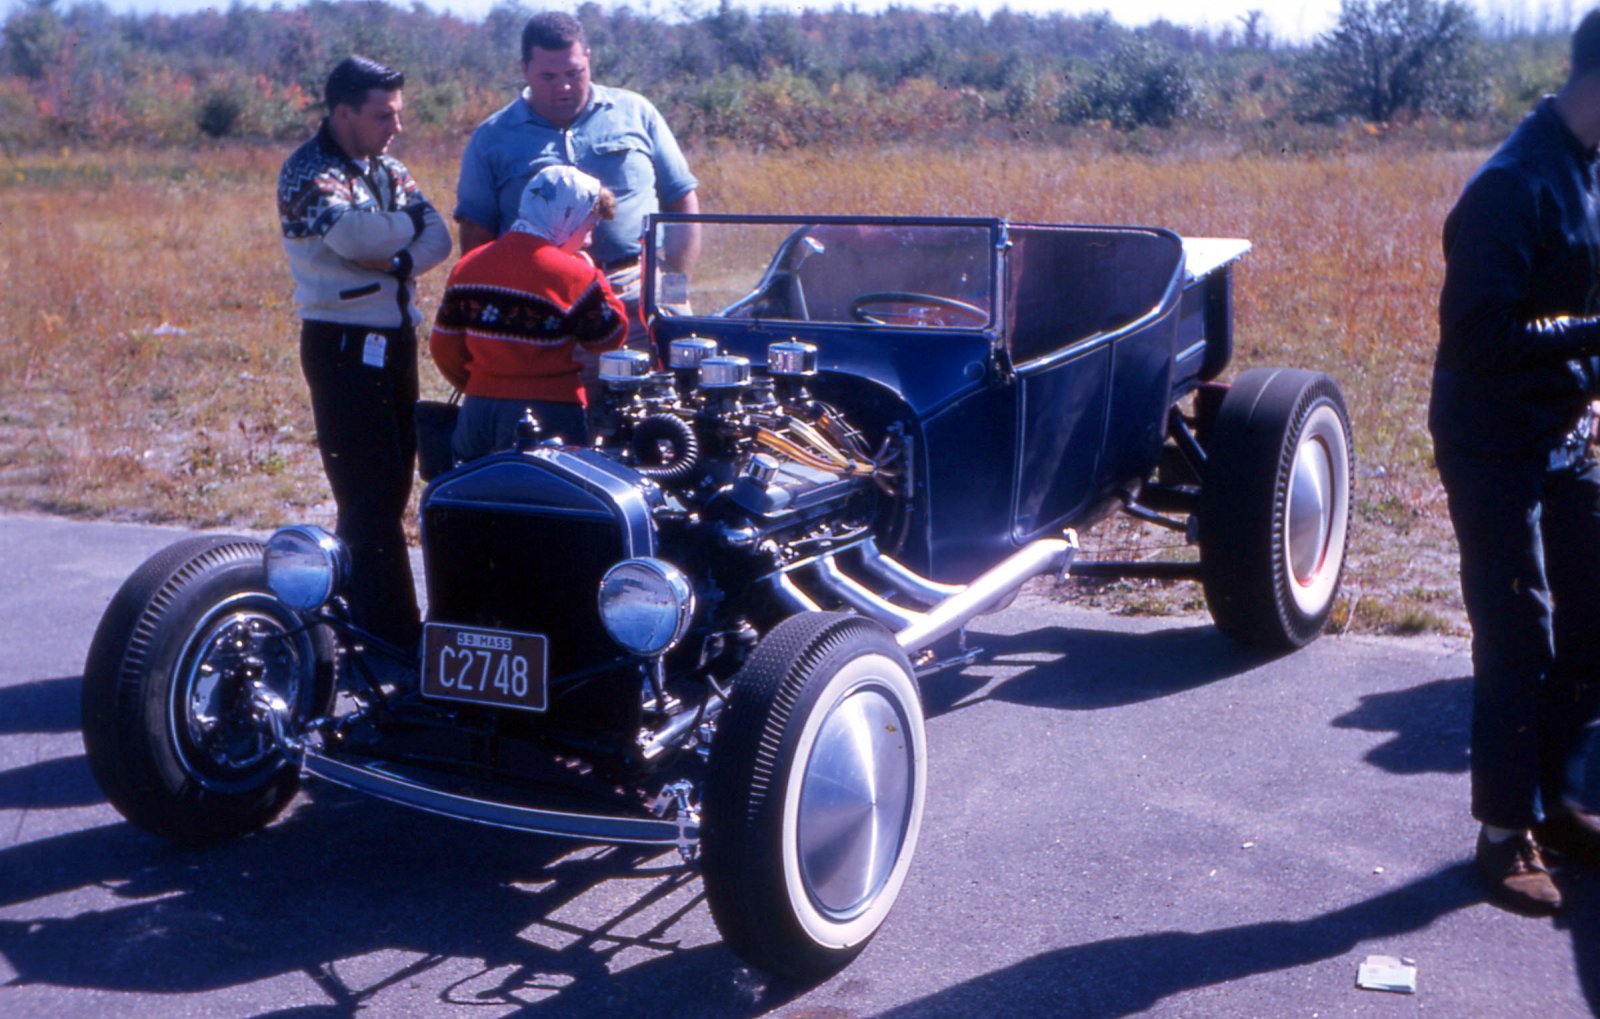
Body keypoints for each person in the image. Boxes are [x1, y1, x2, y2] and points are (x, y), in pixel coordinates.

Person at [1431, 9, 1600, 916]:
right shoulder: (1512, 182)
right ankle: (1504, 832)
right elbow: (1480, 335)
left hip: (1560, 429)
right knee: (1519, 630)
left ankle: (1560, 801)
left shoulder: (1585, 168)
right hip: (1491, 436)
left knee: (1591, 613)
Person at [277, 54, 451, 650]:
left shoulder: (388, 168)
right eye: (383, 115)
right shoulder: (309, 171)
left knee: (395, 485)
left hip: (394, 340)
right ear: (343, 111)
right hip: (342, 345)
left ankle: (364, 618)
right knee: (368, 492)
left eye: (398, 114)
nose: (395, 127)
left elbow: (440, 236)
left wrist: (393, 253)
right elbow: (352, 237)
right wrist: (401, 231)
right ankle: (389, 632)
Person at [453, 11, 699, 349]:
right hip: (542, 300)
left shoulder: (636, 112)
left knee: (665, 395)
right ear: (523, 69)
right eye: (549, 76)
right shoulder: (492, 137)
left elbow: (681, 199)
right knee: (560, 400)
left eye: (574, 72)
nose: (564, 86)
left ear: (589, 59)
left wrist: (672, 284)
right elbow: (476, 231)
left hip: (636, 291)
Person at [429, 166, 627, 461]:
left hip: (478, 413)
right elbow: (609, 336)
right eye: (588, 227)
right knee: (544, 502)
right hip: (551, 413)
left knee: (477, 500)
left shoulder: (469, 266)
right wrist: (594, 275)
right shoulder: (574, 276)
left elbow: (443, 346)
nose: (588, 240)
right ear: (567, 218)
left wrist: (480, 384)